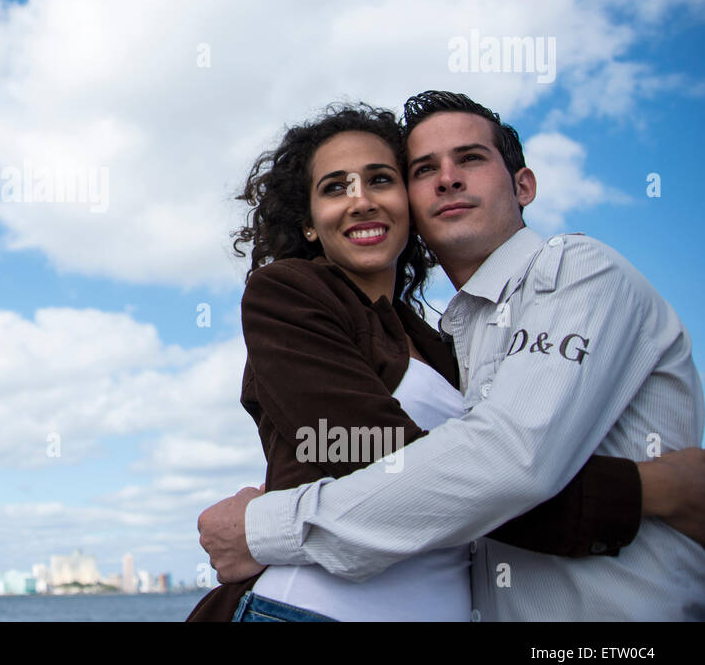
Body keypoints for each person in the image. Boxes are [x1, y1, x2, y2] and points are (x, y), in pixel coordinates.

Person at [197, 91, 705, 621]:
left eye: (470, 158)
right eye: (424, 168)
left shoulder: (564, 275)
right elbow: (430, 475)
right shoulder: (293, 295)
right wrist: (655, 492)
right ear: (309, 221)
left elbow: (479, 476)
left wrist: (264, 526)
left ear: (523, 185)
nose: (447, 179)